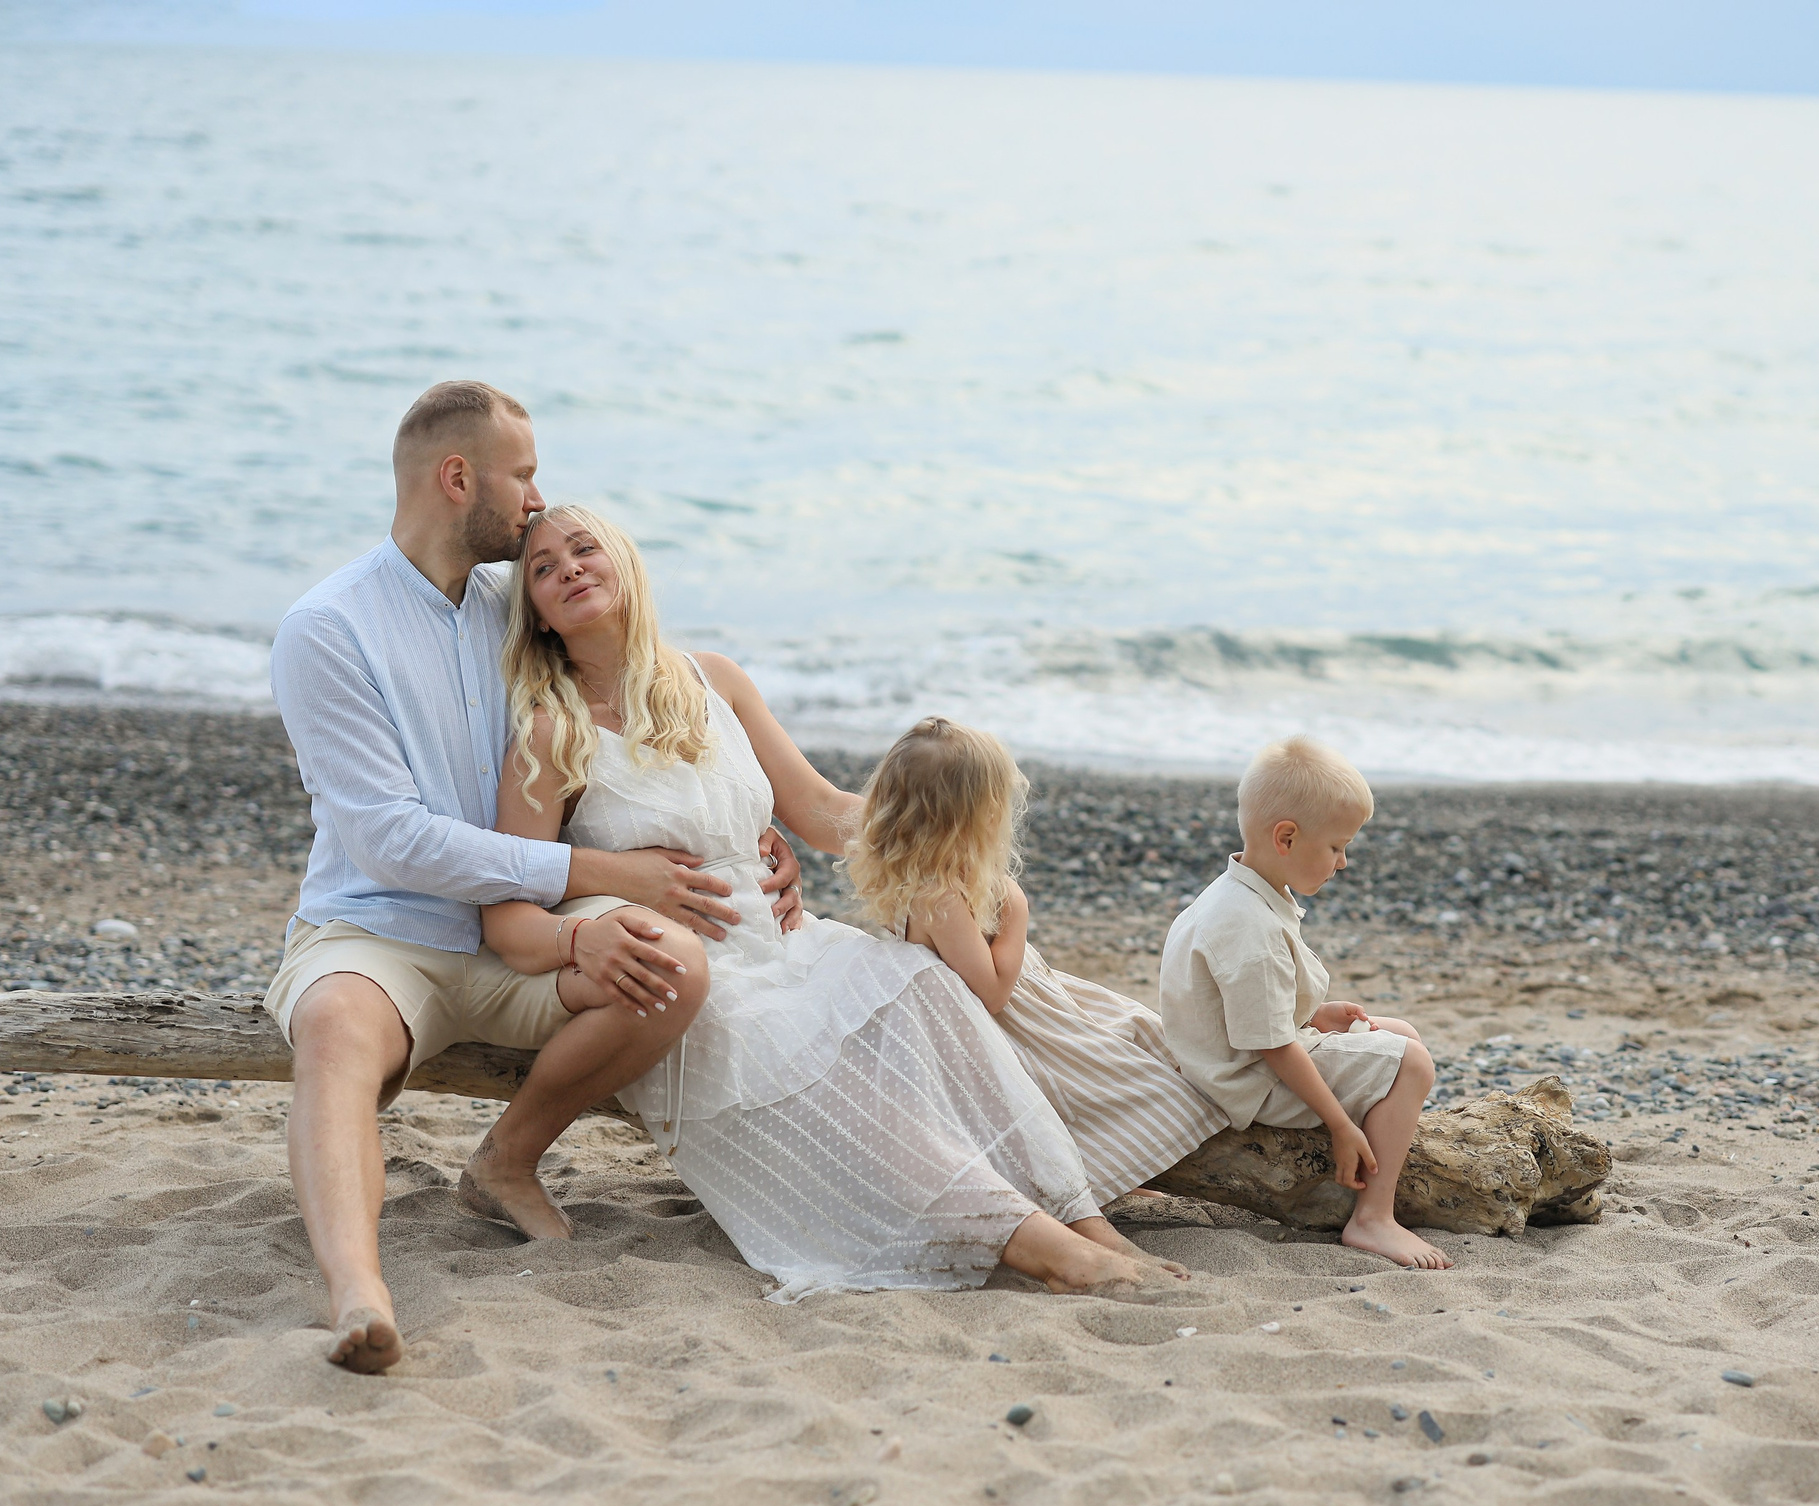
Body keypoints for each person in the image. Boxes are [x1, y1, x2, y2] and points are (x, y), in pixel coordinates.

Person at [477, 503, 1175, 1300]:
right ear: (533, 612)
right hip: (693, 986)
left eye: (585, 548)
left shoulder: (715, 680)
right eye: (542, 567)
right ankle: (1039, 1245)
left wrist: (946, 837)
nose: (568, 567)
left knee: (927, 990)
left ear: (626, 562)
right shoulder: (550, 731)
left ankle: (1082, 1217)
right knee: (823, 1068)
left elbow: (817, 811)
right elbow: (510, 909)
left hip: (789, 942)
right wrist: (596, 920)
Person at [266, 380, 803, 1374]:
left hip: (524, 943)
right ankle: (358, 1295)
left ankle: (504, 1165)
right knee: (337, 1025)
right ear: (457, 477)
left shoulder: (518, 600)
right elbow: (391, 842)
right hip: (384, 934)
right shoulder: (328, 630)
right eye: (521, 474)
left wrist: (751, 830)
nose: (537, 497)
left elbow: (640, 701)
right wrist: (596, 871)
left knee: (667, 963)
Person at [847, 717, 1226, 1206]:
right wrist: (1015, 915)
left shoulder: (925, 875)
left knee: (1133, 1028)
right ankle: (1117, 1169)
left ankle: (1132, 1169)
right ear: (976, 814)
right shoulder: (938, 896)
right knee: (1111, 1078)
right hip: (1010, 1027)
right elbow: (993, 994)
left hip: (1032, 1004)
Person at [1159, 736, 1449, 1269]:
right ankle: (1373, 1217)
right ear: (1287, 837)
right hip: (1244, 1079)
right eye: (1337, 846)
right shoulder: (1247, 928)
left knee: (1401, 1030)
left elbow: (1245, 1006)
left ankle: (1382, 1131)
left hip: (1238, 1051)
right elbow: (1270, 1044)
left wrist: (1315, 1015)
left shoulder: (1243, 893)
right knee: (1412, 1063)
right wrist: (1340, 1125)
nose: (1344, 862)